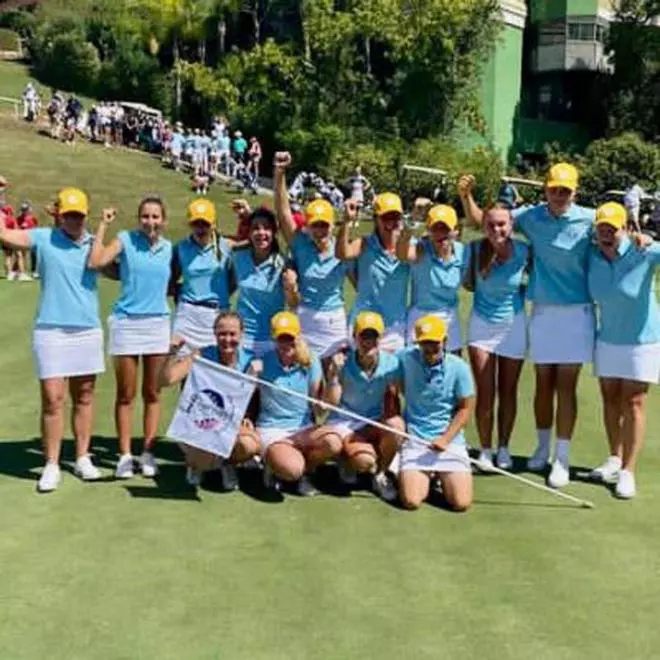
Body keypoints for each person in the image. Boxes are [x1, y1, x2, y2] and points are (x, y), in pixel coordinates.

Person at [459, 163, 595, 489]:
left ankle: (560, 458)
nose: (559, 195)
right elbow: (487, 220)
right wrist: (466, 196)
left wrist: (641, 237)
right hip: (543, 313)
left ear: (575, 192)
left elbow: (618, 231)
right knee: (543, 385)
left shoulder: (591, 218)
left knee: (566, 386)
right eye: (554, 189)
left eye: (565, 190)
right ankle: (540, 449)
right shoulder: (530, 216)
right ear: (545, 189)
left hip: (577, 311)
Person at [0, 188, 105, 492]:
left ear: (85, 216)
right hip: (51, 329)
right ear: (59, 214)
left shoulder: (92, 244)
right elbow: (6, 235)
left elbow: (115, 266)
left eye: (78, 215)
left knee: (84, 396)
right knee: (52, 399)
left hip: (86, 328)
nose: (74, 220)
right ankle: (51, 463)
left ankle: (83, 457)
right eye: (68, 214)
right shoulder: (43, 237)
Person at [88, 196, 172, 479]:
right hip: (126, 323)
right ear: (139, 219)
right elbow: (97, 261)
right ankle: (125, 455)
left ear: (164, 220)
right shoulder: (125, 239)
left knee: (152, 393)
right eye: (145, 216)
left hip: (157, 324)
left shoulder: (168, 248)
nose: (150, 222)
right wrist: (103, 225)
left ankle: (147, 452)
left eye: (155, 217)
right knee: (126, 394)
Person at [587, 203, 660, 499]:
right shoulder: (592, 255)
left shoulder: (644, 252)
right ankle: (614, 458)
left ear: (627, 229)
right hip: (608, 338)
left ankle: (628, 471)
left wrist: (653, 240)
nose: (607, 233)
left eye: (613, 229)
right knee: (610, 398)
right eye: (602, 228)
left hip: (642, 341)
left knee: (634, 403)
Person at [161, 311, 261, 490]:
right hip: (201, 422)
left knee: (249, 445)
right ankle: (196, 466)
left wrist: (250, 416)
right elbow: (167, 380)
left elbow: (253, 396)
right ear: (214, 333)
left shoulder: (250, 360)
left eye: (232, 334)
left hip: (230, 423)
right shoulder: (201, 354)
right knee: (201, 459)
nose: (227, 339)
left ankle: (227, 463)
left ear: (242, 334)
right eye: (222, 333)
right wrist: (172, 352)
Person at [463, 204, 530, 471]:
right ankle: (486, 450)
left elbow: (534, 282)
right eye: (491, 224)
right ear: (484, 226)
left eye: (502, 224)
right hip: (481, 327)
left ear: (511, 225)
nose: (497, 229)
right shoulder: (475, 249)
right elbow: (468, 283)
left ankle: (504, 447)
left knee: (508, 391)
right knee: (486, 393)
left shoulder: (525, 251)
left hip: (514, 326)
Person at [255, 311, 342, 496]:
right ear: (274, 338)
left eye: (290, 338)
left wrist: (333, 378)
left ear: (298, 337)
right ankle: (274, 464)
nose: (286, 343)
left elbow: (319, 407)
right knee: (292, 469)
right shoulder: (263, 361)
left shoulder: (311, 360)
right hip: (273, 430)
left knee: (333, 443)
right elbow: (241, 391)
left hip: (303, 428)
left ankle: (306, 472)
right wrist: (251, 374)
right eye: (281, 339)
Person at [274, 152, 350, 361]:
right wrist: (280, 173)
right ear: (307, 226)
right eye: (314, 225)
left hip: (333, 320)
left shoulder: (342, 249)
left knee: (333, 374)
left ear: (332, 225)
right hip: (305, 316)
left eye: (323, 225)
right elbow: (283, 213)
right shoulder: (300, 243)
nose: (319, 230)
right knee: (306, 375)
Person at [397, 315, 475, 512]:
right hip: (415, 439)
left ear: (445, 341)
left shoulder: (459, 367)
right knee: (411, 501)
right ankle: (427, 476)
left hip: (449, 442)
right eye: (425, 344)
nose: (430, 348)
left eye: (434, 343)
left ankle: (440, 476)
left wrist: (446, 439)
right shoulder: (405, 358)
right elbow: (378, 363)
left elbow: (466, 408)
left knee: (461, 503)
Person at [323, 312, 404, 501]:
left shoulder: (392, 364)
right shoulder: (342, 363)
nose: (368, 342)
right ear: (355, 338)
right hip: (345, 422)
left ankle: (380, 475)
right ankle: (345, 459)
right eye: (363, 336)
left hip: (372, 421)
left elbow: (399, 396)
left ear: (380, 338)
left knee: (397, 426)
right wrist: (334, 375)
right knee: (364, 461)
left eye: (373, 336)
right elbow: (330, 404)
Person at [336, 193, 410, 352]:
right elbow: (342, 254)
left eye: (396, 217)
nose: (391, 223)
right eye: (386, 218)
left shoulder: (408, 245)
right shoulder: (364, 243)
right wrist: (346, 222)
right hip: (363, 321)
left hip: (394, 327)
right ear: (376, 219)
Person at [397, 203, 466, 354]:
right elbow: (401, 253)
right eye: (435, 228)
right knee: (416, 370)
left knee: (452, 368)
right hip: (421, 316)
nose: (440, 234)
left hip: (449, 317)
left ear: (455, 231)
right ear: (428, 230)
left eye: (445, 229)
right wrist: (413, 220)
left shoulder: (462, 252)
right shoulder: (421, 248)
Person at [171, 199, 232, 351]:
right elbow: (171, 278)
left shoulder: (227, 247)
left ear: (213, 224)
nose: (200, 228)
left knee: (213, 368)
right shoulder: (181, 248)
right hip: (188, 315)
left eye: (205, 223)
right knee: (177, 366)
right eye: (196, 223)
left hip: (217, 315)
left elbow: (234, 279)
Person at [230, 207, 286, 356]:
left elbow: (294, 302)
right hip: (241, 337)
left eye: (267, 228)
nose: (261, 233)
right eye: (255, 228)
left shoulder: (283, 264)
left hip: (272, 339)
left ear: (274, 233)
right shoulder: (238, 257)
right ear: (249, 233)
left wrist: (292, 288)